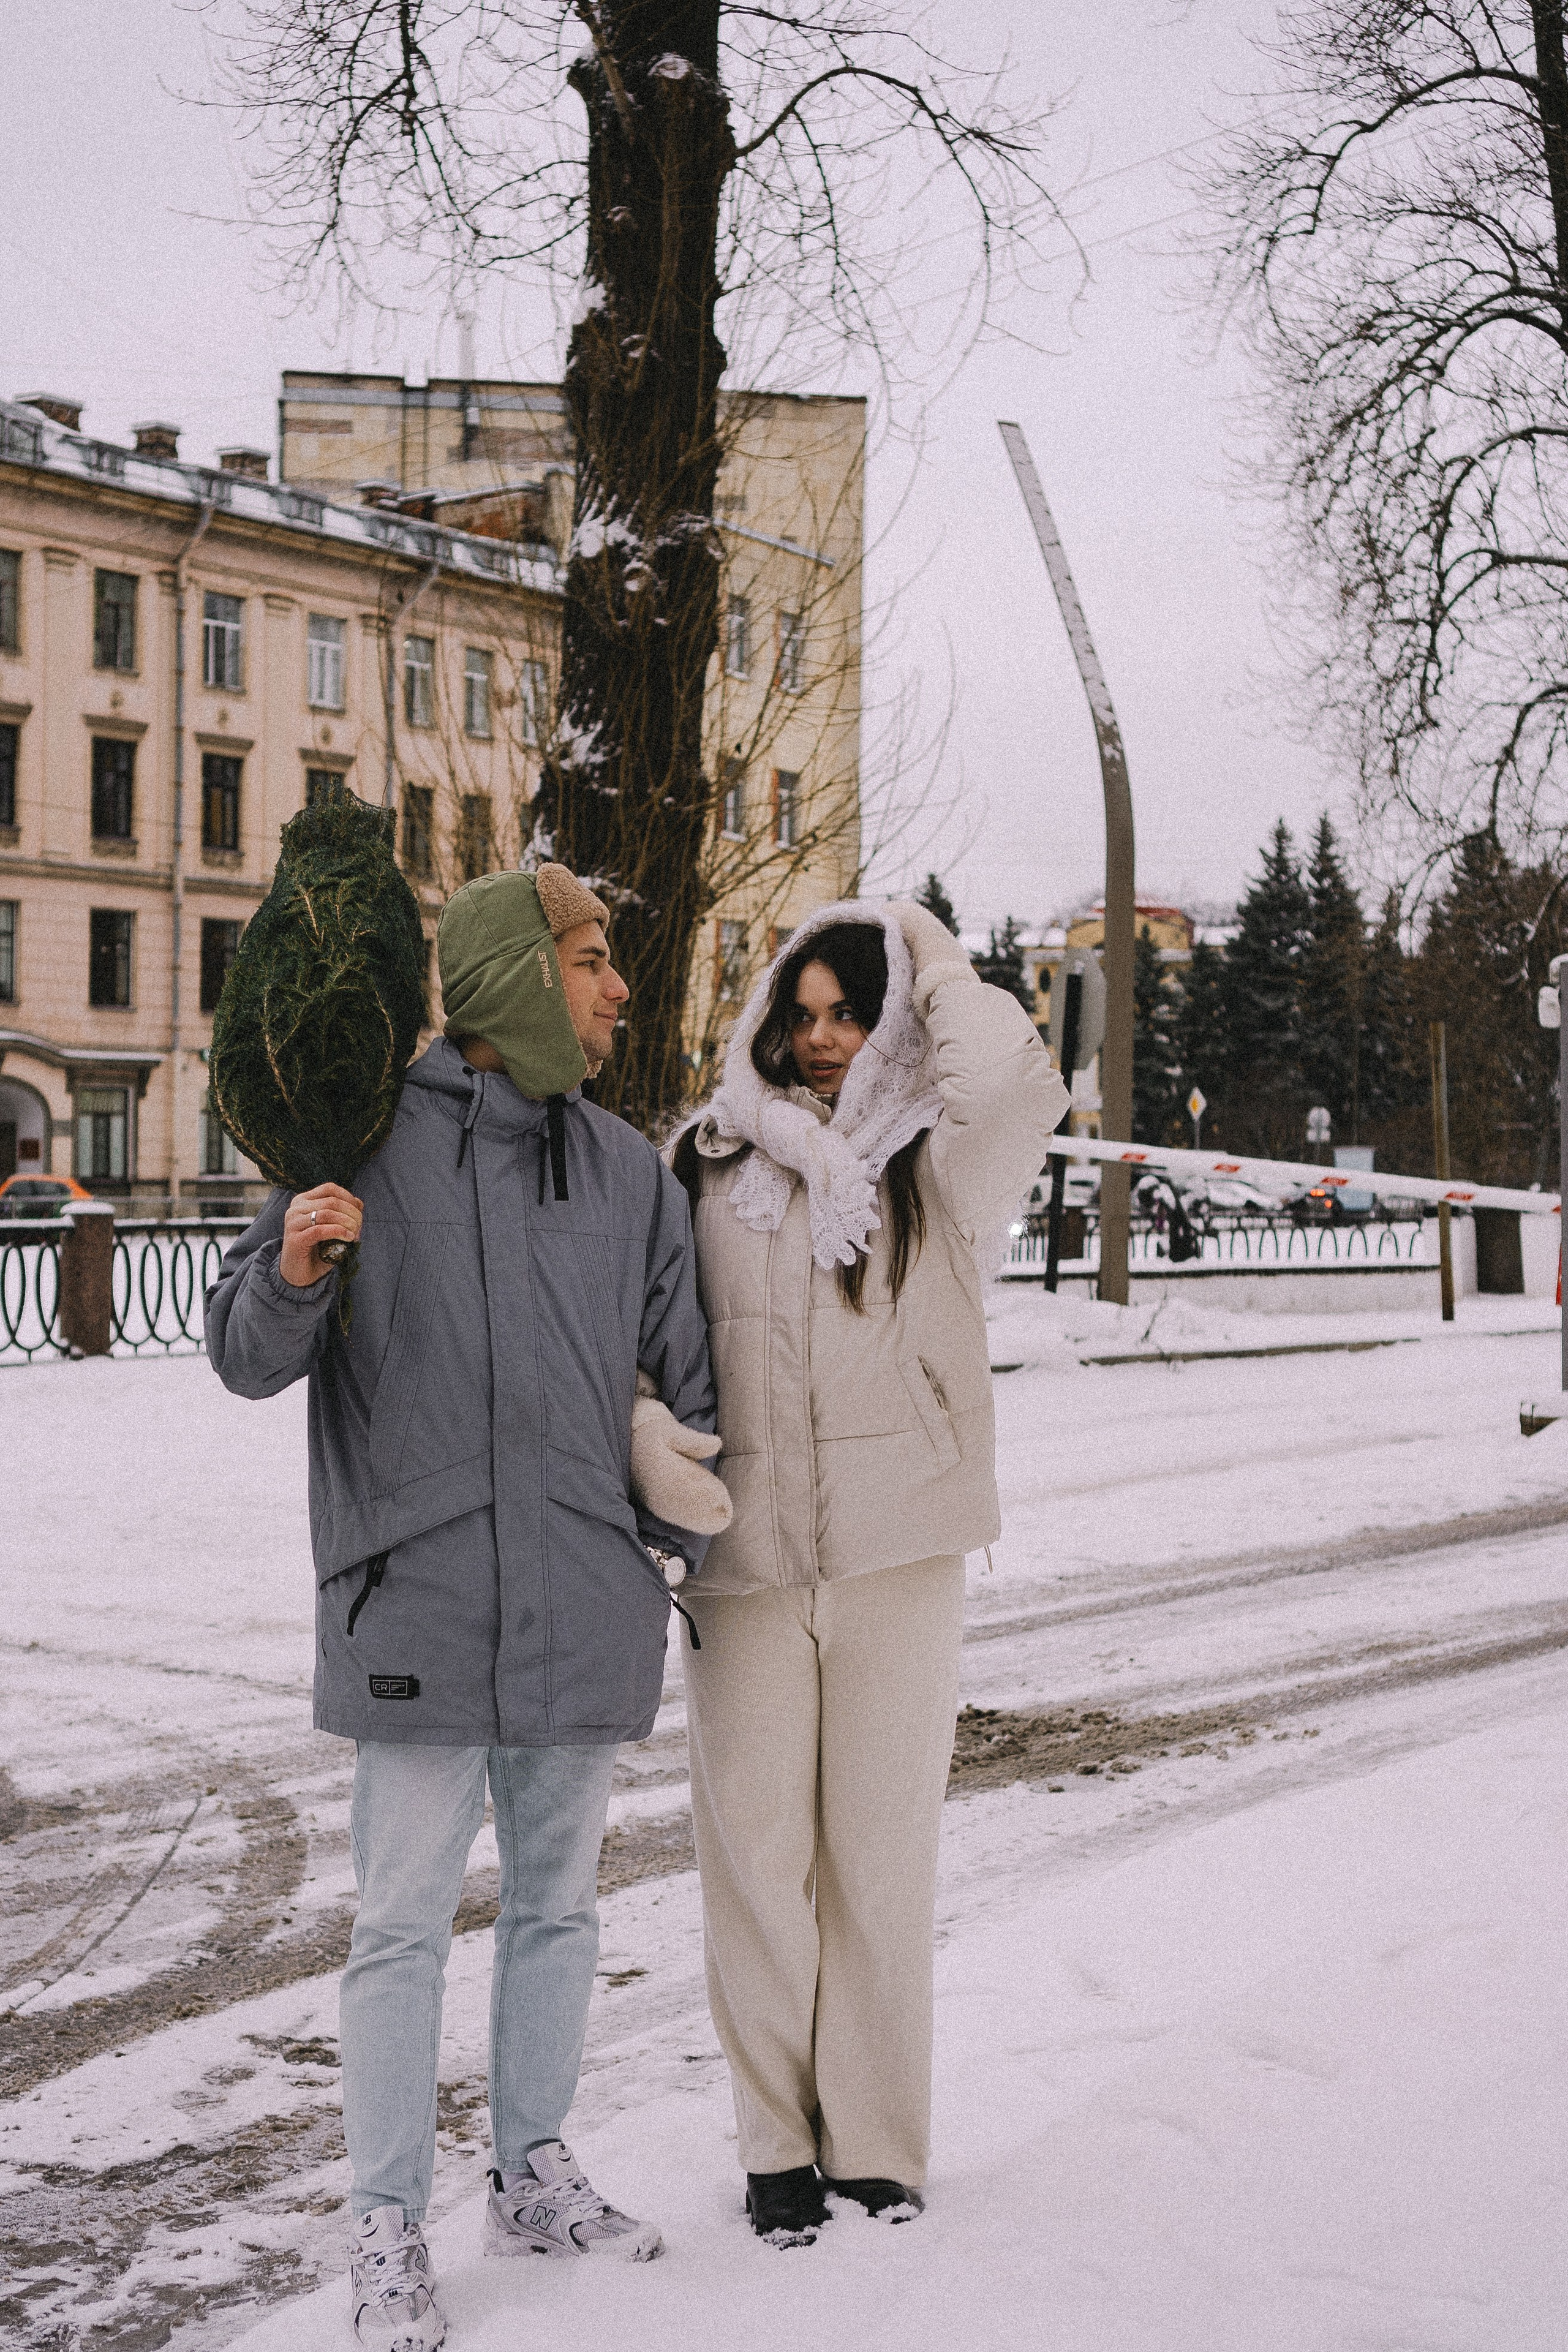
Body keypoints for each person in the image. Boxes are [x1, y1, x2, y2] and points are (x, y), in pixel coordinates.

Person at [206, 865, 717, 2352]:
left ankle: (531, 2172)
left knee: (558, 1909)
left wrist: (661, 1508)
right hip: (415, 1603)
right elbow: (243, 1353)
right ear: (510, 975)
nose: (618, 986)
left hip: (581, 1593)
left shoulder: (624, 1173)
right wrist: (294, 1270)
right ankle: (384, 2222)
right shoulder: (355, 1142)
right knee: (400, 1927)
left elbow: (688, 1383)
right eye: (590, 957)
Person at [669, 899, 1067, 2247]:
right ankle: (776, 2146)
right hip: (743, 1567)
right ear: (769, 1025)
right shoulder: (709, 1162)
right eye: (804, 1015)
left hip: (898, 1555)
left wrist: (925, 951)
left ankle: (876, 2144)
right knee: (756, 1865)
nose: (826, 1038)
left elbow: (1015, 1082)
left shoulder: (938, 1165)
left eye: (851, 1011)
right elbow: (651, 1345)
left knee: (880, 1866)